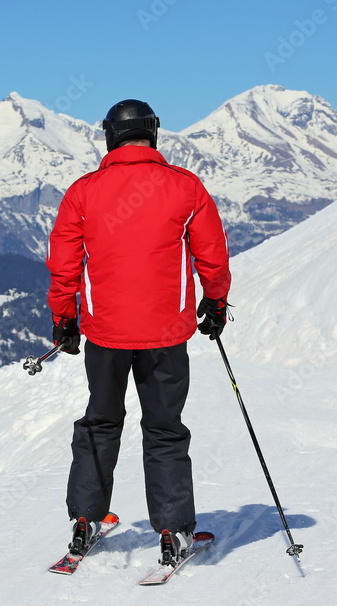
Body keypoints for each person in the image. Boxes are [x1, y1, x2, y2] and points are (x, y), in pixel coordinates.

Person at [46, 98, 232, 565]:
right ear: (153, 133)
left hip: (105, 334)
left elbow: (65, 264)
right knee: (165, 429)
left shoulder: (83, 192)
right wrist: (215, 303)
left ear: (110, 135)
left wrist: (64, 320)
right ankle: (173, 532)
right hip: (166, 336)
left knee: (100, 423)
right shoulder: (185, 187)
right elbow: (211, 252)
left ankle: (85, 521)